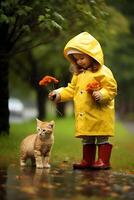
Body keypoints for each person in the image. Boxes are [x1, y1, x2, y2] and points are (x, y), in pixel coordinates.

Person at [48, 32, 117, 170]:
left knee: (101, 136)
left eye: (82, 58)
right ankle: (87, 160)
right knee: (87, 138)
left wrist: (101, 94)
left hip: (99, 112)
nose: (79, 61)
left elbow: (111, 88)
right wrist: (58, 94)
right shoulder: (78, 74)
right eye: (76, 59)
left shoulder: (103, 72)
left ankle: (103, 160)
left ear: (92, 56)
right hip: (85, 114)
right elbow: (71, 89)